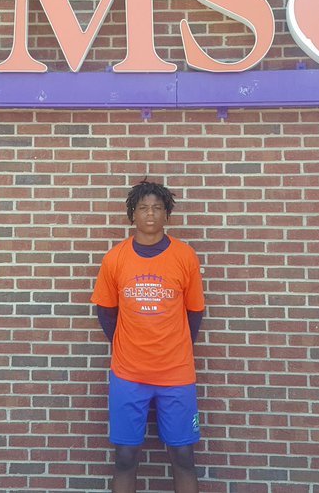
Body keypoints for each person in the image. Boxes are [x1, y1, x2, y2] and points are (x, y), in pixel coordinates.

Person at [91, 180, 206, 493]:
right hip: (129, 375)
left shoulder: (185, 257)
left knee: (183, 456)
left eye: (157, 207)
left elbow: (194, 312)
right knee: (125, 457)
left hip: (177, 374)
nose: (150, 214)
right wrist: (128, 346)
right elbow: (105, 312)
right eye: (143, 208)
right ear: (133, 214)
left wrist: (174, 347)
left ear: (167, 213)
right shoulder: (115, 259)